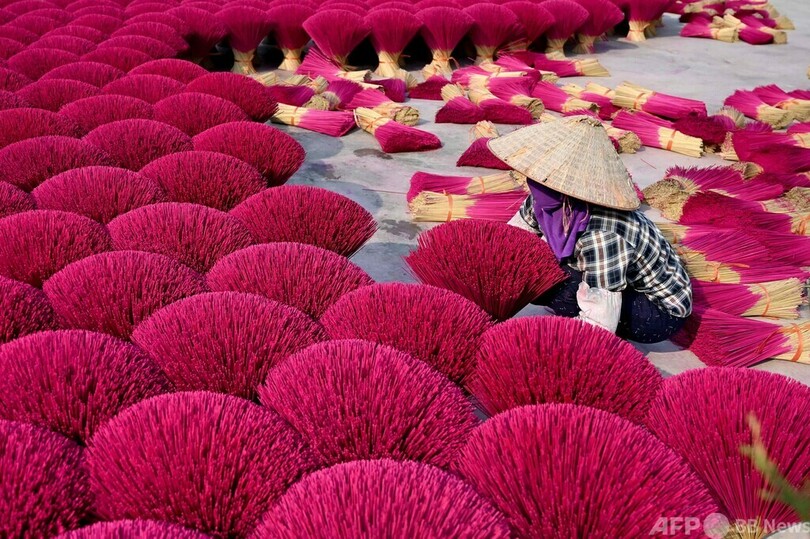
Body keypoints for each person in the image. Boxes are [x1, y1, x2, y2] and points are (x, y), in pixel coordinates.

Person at [488, 115, 692, 343]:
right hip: (621, 283)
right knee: (535, 270)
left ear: (566, 190)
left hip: (656, 311)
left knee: (556, 288)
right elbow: (512, 246)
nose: (535, 183)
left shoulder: (602, 233)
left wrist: (554, 344)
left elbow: (600, 325)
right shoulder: (545, 201)